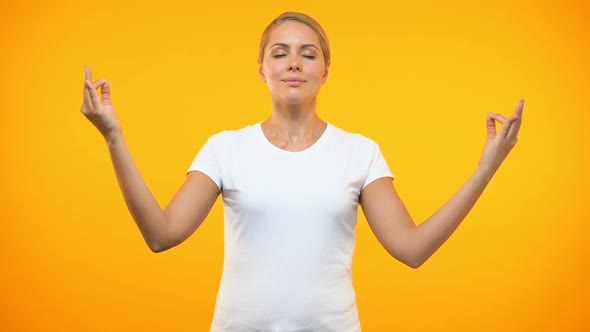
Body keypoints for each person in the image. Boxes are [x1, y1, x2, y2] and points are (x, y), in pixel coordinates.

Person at [81, 11, 523, 332]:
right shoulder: (225, 148)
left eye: (307, 54)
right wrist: (113, 137)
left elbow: (412, 249)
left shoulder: (360, 153)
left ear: (326, 70)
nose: (294, 62)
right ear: (262, 69)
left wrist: (489, 166)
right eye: (281, 53)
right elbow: (162, 235)